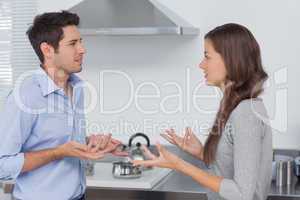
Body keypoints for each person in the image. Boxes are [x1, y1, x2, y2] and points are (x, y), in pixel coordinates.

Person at [133, 23, 273, 200]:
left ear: (230, 60)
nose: (201, 65)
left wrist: (180, 165)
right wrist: (201, 153)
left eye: (207, 57)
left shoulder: (245, 112)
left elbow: (241, 194)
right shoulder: (235, 105)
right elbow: (231, 167)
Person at [0, 11, 126, 200]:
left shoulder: (78, 88)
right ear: (48, 50)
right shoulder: (25, 96)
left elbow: (61, 140)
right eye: (73, 44)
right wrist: (58, 152)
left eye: (81, 42)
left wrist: (92, 143)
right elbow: (2, 165)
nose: (82, 49)